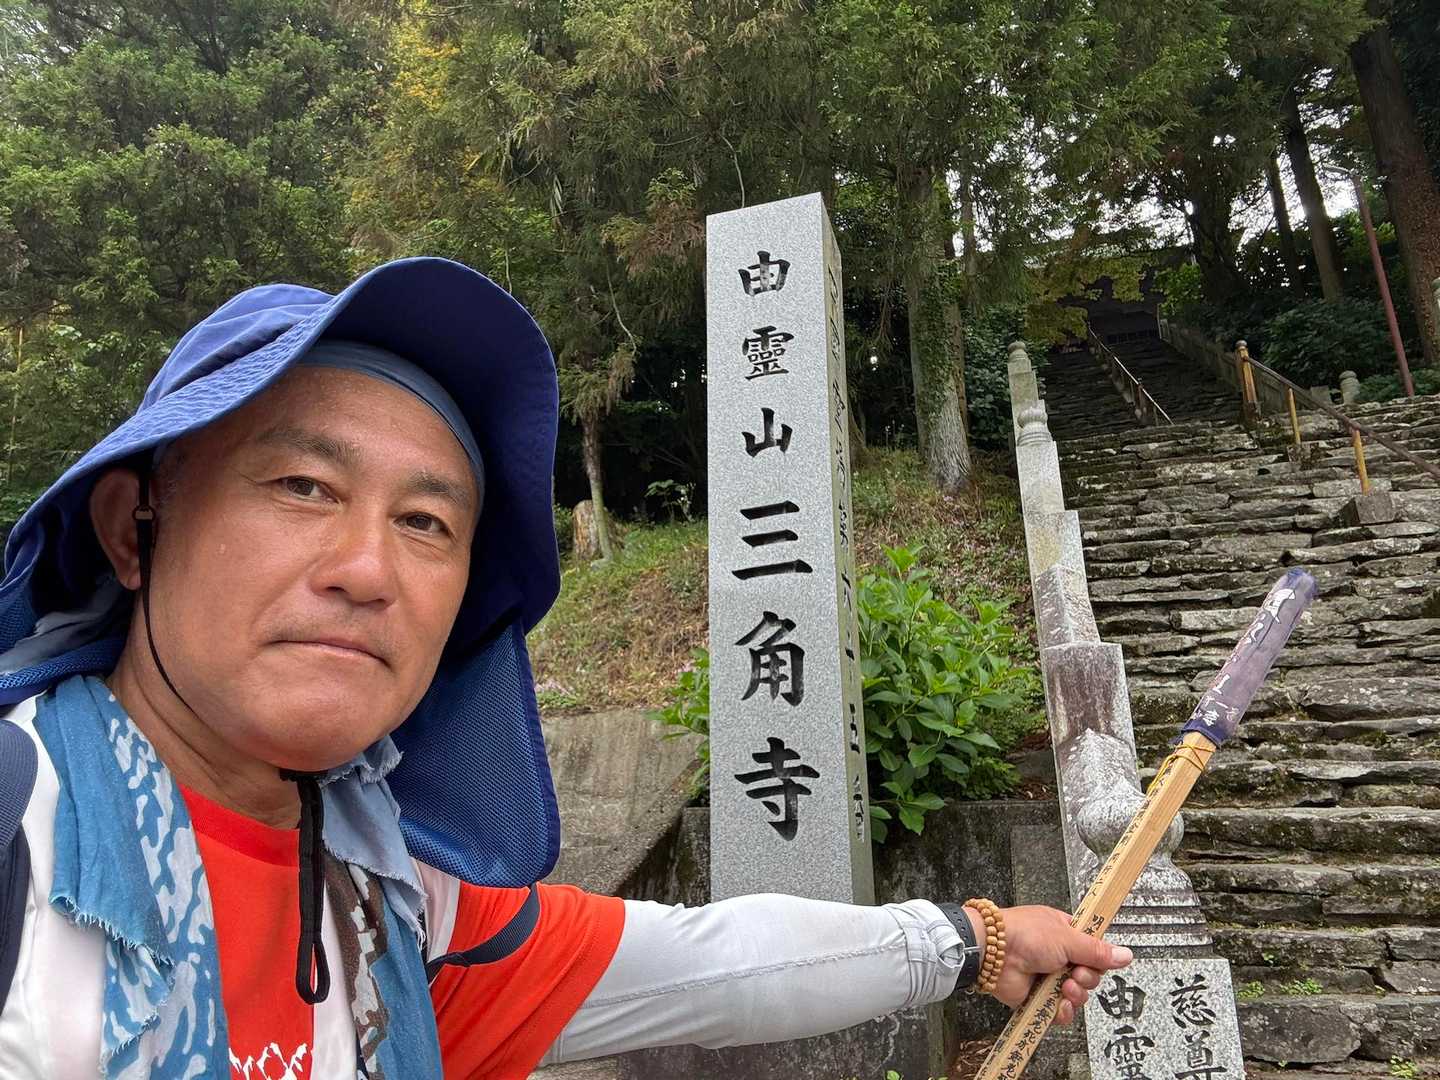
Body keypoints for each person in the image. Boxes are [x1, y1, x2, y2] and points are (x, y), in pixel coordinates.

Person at [0, 257, 1130, 1079]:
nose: (367, 570)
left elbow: (707, 964)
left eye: (428, 522)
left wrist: (973, 941)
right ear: (133, 527)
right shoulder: (23, 828)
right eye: (303, 486)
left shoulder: (396, 905)